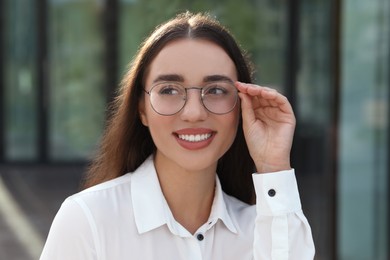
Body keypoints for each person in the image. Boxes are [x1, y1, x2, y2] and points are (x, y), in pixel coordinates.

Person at [40, 12, 315, 259]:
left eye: (216, 90)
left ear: (243, 107)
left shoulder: (264, 230)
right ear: (142, 109)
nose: (194, 113)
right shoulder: (89, 220)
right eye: (169, 90)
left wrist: (273, 166)